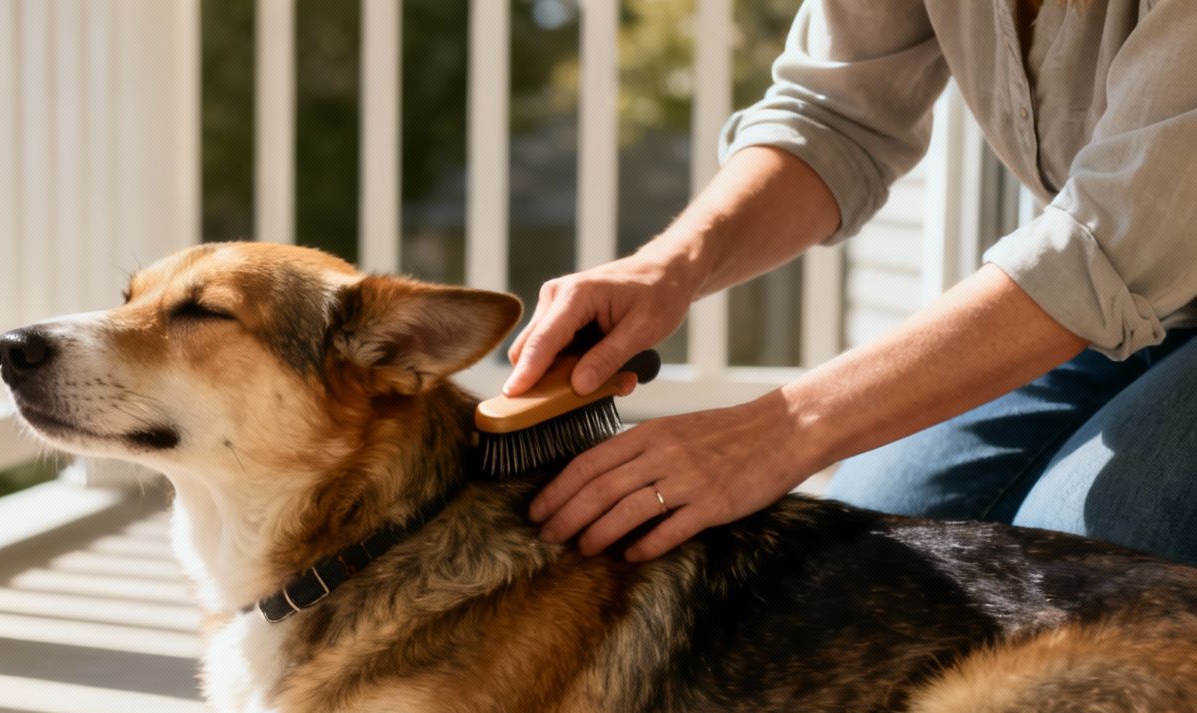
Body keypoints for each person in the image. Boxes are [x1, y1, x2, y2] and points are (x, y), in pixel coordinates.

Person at [503, 0, 1197, 566]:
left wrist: (780, 429)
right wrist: (670, 266)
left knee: (1085, 566)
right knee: (872, 537)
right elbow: (834, 117)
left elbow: (1113, 240)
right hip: (1117, 295)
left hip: (1119, 266)